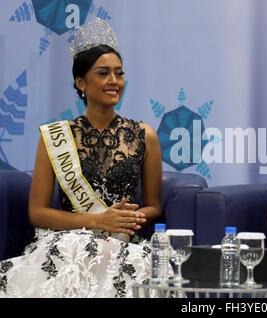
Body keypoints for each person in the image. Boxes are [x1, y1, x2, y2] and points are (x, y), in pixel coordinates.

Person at [0, 19, 162, 297]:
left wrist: (124, 218)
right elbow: (37, 212)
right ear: (80, 82)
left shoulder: (145, 135)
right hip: (68, 244)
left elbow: (154, 206)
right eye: (103, 73)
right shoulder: (54, 137)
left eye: (119, 73)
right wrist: (98, 221)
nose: (114, 81)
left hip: (123, 243)